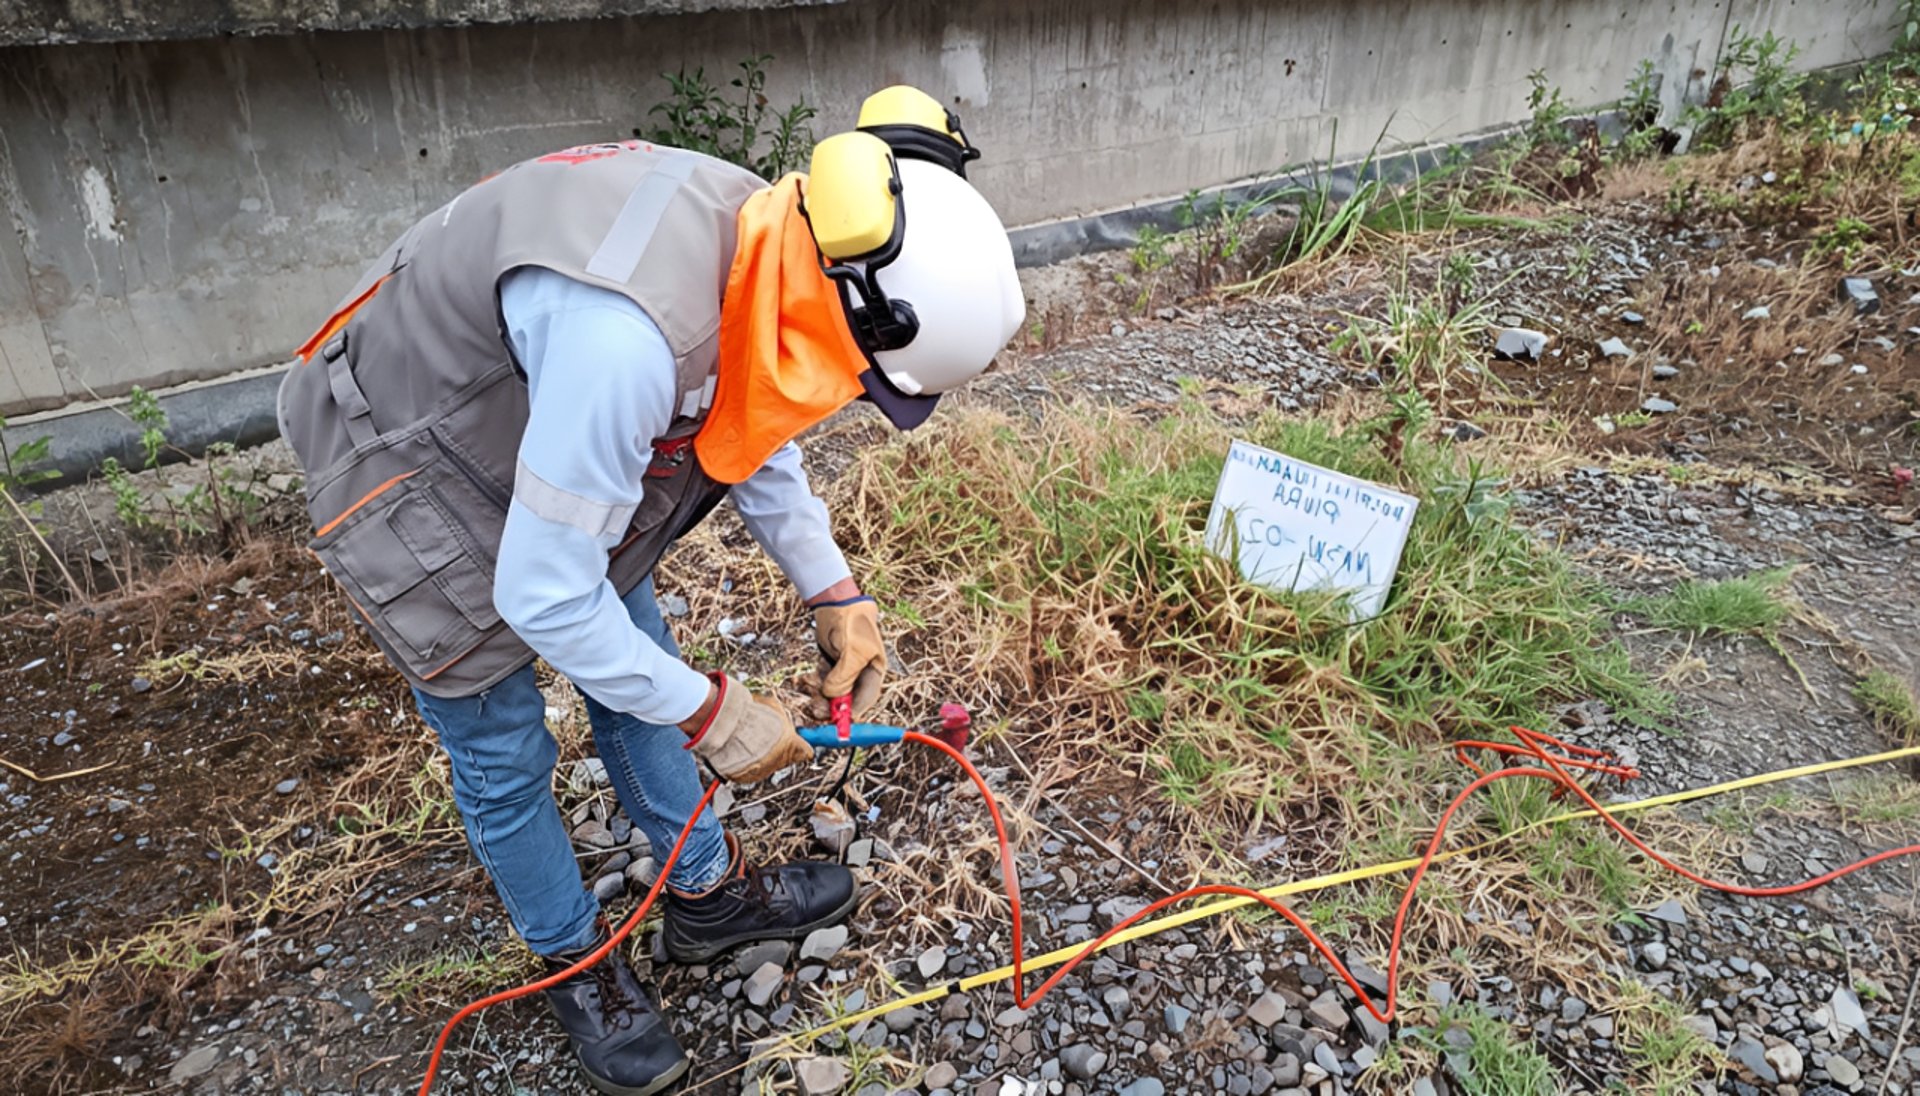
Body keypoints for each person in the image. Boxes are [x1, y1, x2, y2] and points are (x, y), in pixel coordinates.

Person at [276, 86, 1023, 1095]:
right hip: (408, 446)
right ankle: (576, 960)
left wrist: (834, 590)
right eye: (868, 380)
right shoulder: (625, 340)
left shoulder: (780, 236)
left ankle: (706, 899)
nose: (855, 398)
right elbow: (543, 599)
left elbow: (749, 407)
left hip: (540, 405)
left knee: (634, 651)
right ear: (856, 306)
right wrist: (714, 710)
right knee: (502, 743)